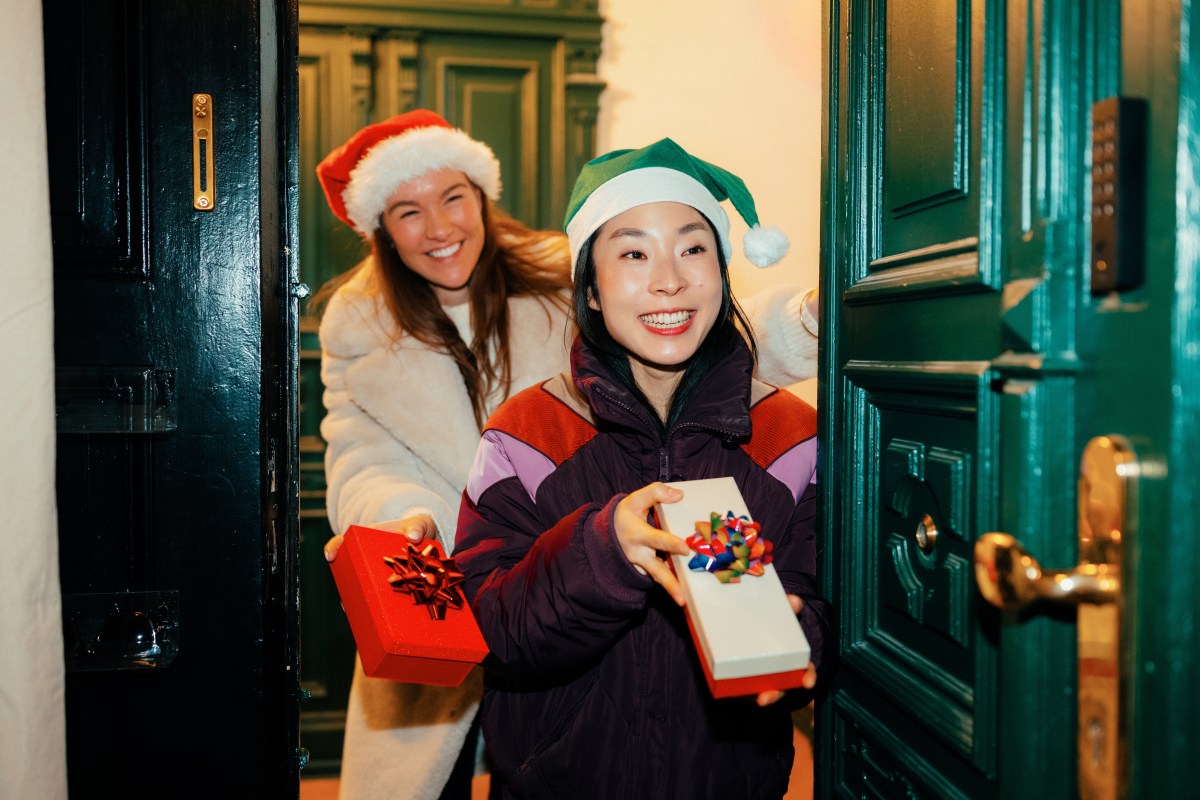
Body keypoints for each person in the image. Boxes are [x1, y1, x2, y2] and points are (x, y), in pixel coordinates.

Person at [314, 110, 820, 800]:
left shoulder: (561, 274)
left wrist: (805, 323)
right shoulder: (361, 328)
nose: (438, 227)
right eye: (408, 211)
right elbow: (360, 452)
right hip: (452, 577)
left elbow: (692, 321)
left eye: (453, 198)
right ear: (380, 230)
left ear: (482, 199)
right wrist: (402, 515)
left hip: (629, 654)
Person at [454, 137, 832, 799]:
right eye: (633, 253)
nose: (669, 279)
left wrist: (803, 639)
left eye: (693, 248)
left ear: (721, 273)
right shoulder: (526, 434)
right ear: (591, 290)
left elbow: (827, 608)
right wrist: (600, 553)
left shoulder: (790, 438)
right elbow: (487, 630)